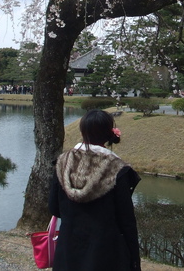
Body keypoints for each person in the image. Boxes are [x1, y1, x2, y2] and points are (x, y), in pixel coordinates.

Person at [48, 109, 141, 271]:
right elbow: (126, 221)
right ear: (108, 133)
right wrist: (134, 259)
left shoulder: (62, 163)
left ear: (82, 131)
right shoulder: (118, 170)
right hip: (105, 252)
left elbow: (54, 208)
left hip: (68, 249)